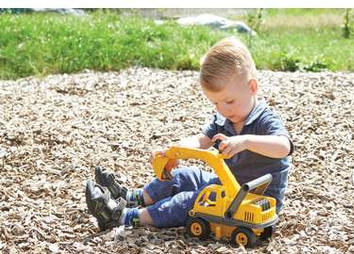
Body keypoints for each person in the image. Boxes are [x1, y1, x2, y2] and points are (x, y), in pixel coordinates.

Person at [85, 36, 294, 231]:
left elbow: (284, 147)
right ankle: (133, 197)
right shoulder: (225, 119)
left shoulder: (264, 121)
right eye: (215, 103)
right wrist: (174, 151)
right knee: (183, 175)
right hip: (226, 187)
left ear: (252, 87)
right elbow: (201, 140)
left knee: (189, 201)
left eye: (229, 101)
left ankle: (124, 217)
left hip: (253, 200)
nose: (223, 109)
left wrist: (246, 141)